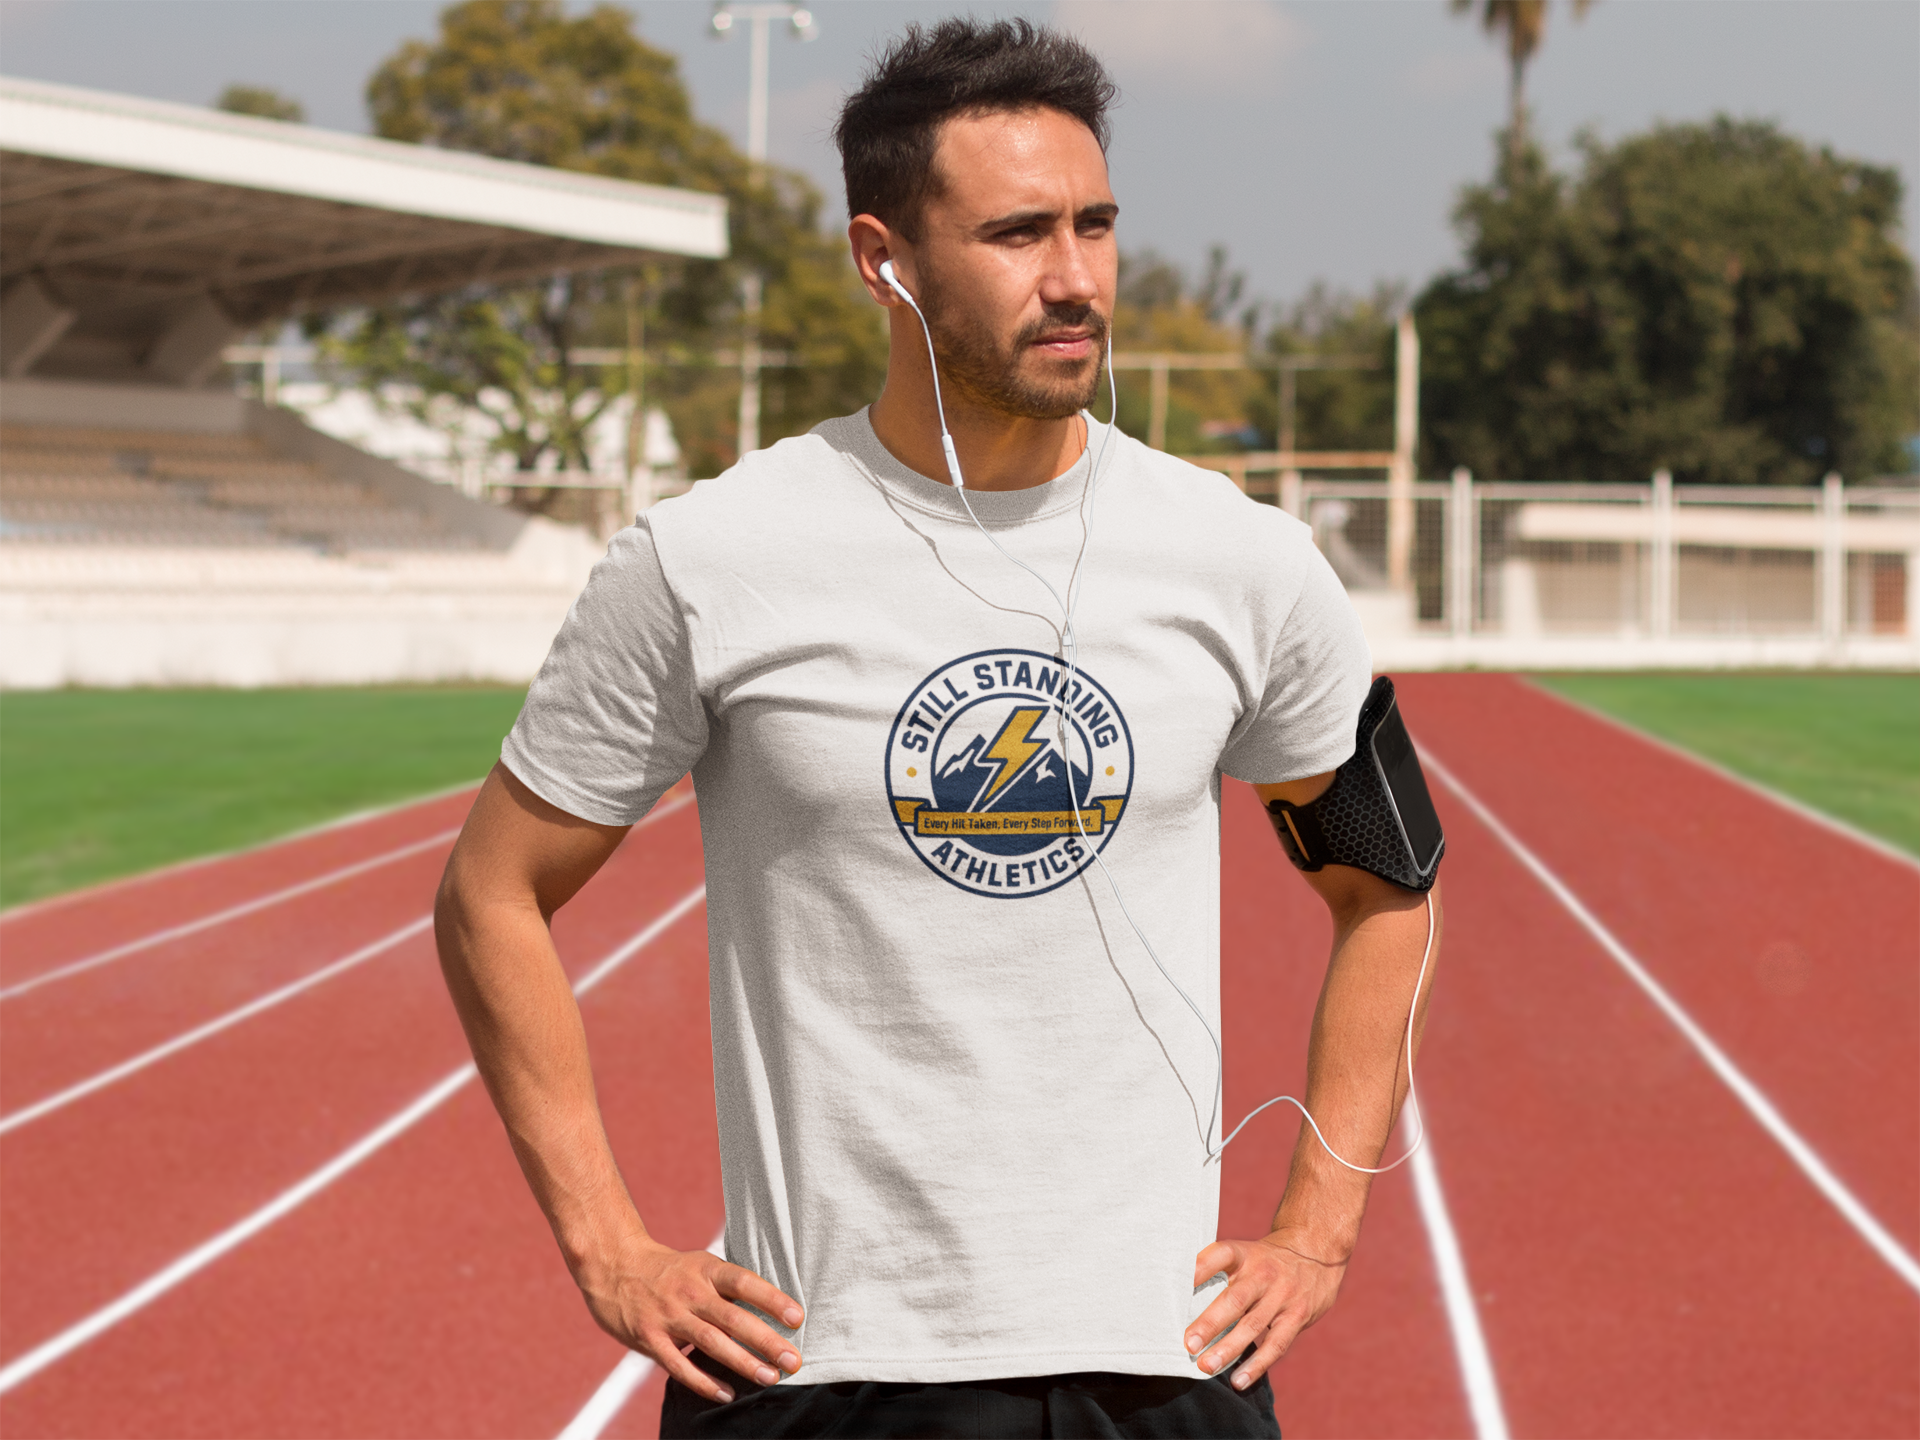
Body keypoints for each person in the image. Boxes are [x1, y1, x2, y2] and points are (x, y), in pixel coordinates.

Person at [433, 18, 1441, 1439]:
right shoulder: (709, 559)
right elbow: (491, 893)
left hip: (1152, 1365)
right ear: (883, 259)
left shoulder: (1242, 560)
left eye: (1095, 224)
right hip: (821, 1372)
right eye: (1019, 234)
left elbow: (1388, 882)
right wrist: (609, 1246)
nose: (1075, 276)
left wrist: (1319, 1233)